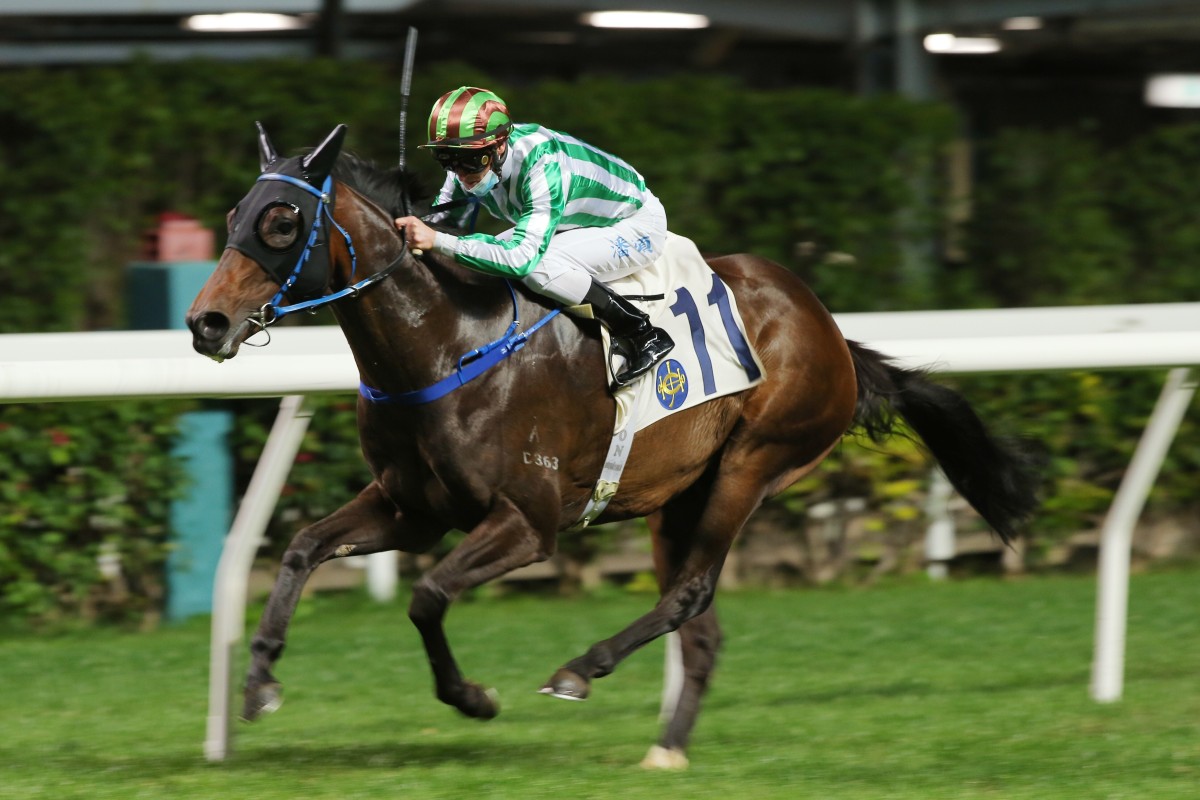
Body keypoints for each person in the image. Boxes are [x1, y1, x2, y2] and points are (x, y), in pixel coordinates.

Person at [394, 86, 674, 387]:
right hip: (575, 220)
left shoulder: (542, 163)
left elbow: (521, 259)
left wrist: (437, 240)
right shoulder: (470, 153)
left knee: (539, 269)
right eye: (447, 159)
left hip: (636, 224)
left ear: (499, 146)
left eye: (471, 161)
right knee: (486, 257)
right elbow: (439, 221)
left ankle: (641, 332)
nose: (461, 173)